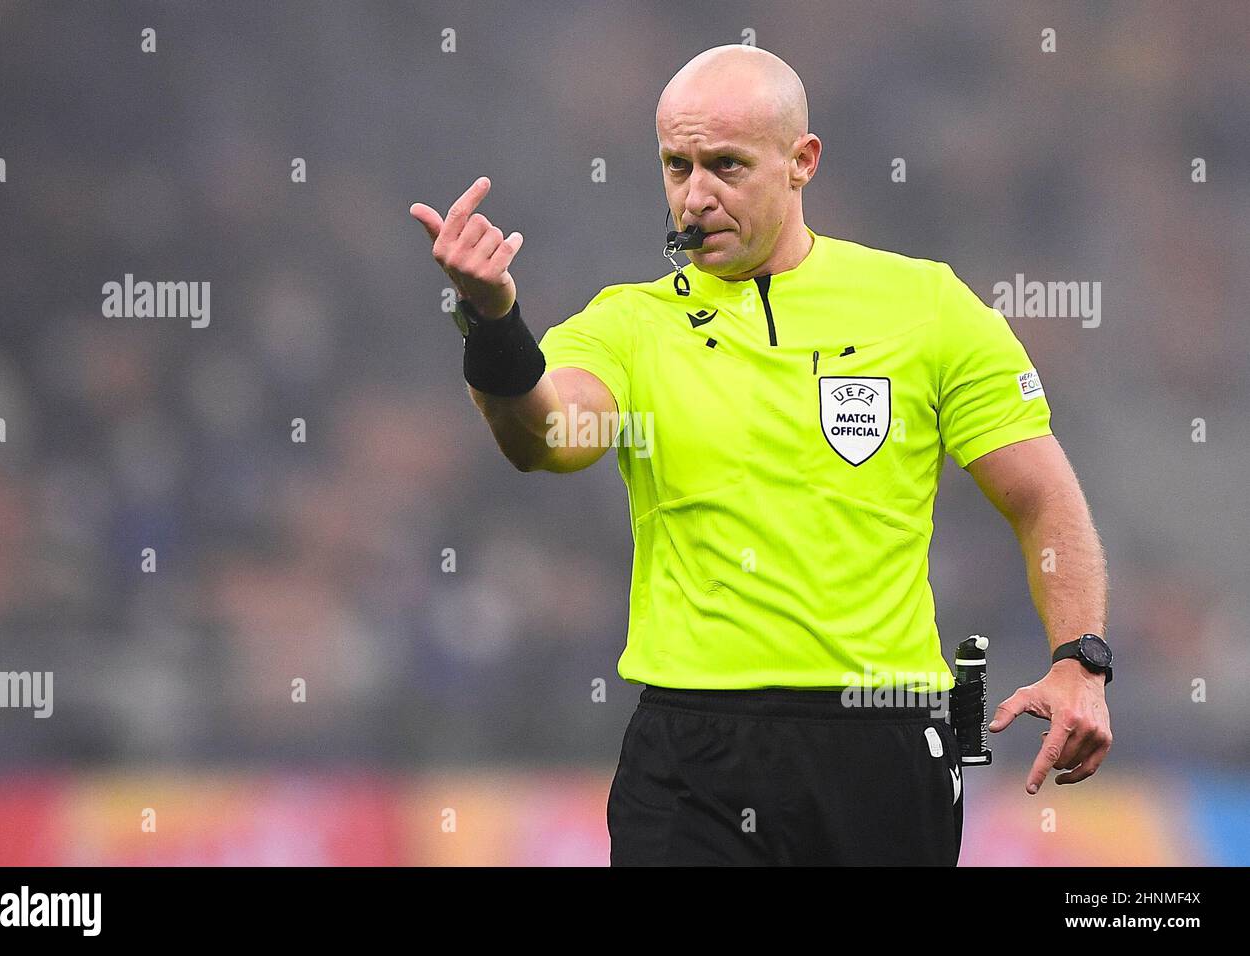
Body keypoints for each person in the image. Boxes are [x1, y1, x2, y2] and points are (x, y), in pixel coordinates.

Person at [409, 44, 1113, 866]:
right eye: (676, 165)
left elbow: (1041, 497)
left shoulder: (925, 305)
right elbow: (546, 440)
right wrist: (494, 323)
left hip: (882, 742)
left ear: (801, 162)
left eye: (725, 165)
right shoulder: (629, 325)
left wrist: (1080, 659)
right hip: (693, 754)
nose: (694, 196)